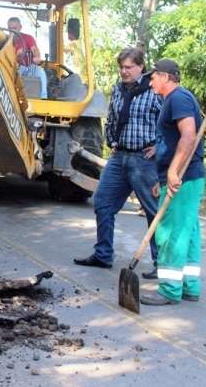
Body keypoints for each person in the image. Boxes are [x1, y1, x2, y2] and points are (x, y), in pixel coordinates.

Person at [74, 47, 160, 278]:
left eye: (129, 67)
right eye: (122, 67)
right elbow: (111, 118)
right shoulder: (118, 90)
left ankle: (161, 264)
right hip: (119, 156)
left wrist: (161, 147)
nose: (124, 71)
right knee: (102, 202)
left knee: (153, 211)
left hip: (145, 160)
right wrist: (112, 140)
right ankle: (103, 255)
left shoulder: (154, 91)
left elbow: (172, 123)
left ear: (141, 66)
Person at [140, 59, 206, 306]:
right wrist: (163, 176)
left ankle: (169, 290)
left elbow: (188, 136)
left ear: (166, 76)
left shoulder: (178, 98)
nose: (150, 81)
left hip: (185, 176)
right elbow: (173, 140)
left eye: (153, 76)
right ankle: (190, 286)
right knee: (188, 233)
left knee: (170, 233)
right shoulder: (176, 99)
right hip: (187, 177)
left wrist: (173, 171)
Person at [7, 17, 48, 99]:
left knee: (40, 72)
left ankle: (43, 97)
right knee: (14, 74)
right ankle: (12, 97)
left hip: (28, 66)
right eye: (10, 28)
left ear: (20, 27)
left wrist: (37, 57)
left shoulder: (28, 38)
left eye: (14, 28)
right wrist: (16, 56)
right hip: (14, 68)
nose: (12, 31)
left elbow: (34, 49)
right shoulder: (6, 41)